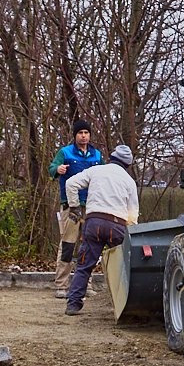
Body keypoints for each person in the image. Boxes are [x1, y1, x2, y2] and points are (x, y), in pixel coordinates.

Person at [63, 144, 139, 316]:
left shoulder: (96, 171)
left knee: (84, 265)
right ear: (127, 164)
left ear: (111, 157)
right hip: (117, 226)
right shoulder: (129, 182)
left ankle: (73, 304)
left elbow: (71, 183)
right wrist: (130, 233)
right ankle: (122, 307)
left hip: (94, 223)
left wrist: (75, 207)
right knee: (120, 268)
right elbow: (133, 213)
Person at [48, 120, 104, 298]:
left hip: (92, 205)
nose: (83, 136)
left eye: (86, 132)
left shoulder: (97, 155)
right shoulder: (65, 152)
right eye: (80, 133)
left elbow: (104, 176)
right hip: (70, 206)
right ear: (75, 135)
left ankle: (85, 285)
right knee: (68, 244)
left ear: (90, 135)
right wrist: (59, 169)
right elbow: (51, 169)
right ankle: (61, 285)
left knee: (89, 246)